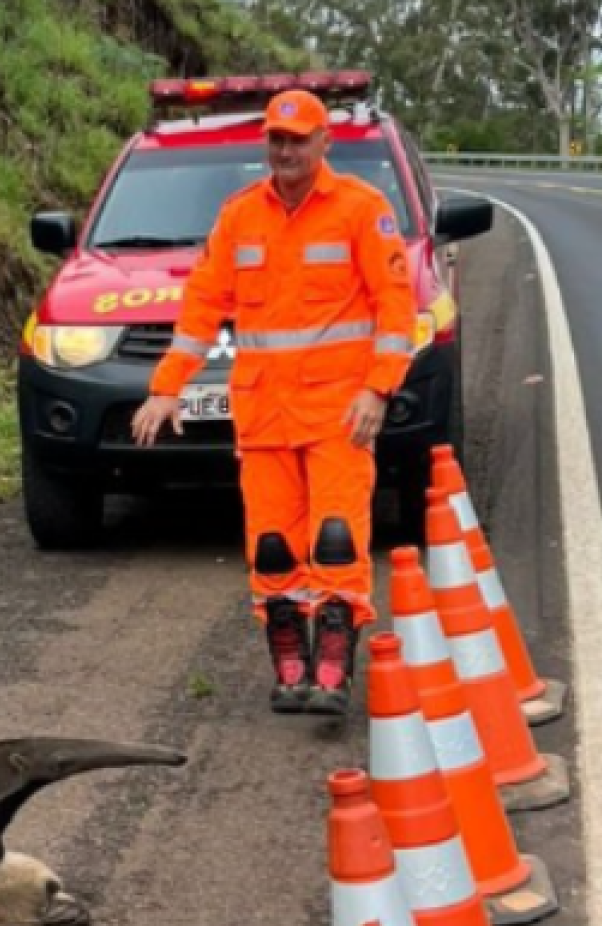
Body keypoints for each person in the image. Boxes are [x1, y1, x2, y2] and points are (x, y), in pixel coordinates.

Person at [131, 88, 418, 716]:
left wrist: (378, 388)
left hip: (339, 413)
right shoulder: (240, 217)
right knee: (271, 546)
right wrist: (167, 387)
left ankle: (334, 670)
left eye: (296, 139)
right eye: (276, 139)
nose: (284, 151)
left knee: (337, 540)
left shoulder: (361, 209)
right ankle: (290, 666)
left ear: (324, 142)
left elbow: (396, 308)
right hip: (263, 414)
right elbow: (202, 307)